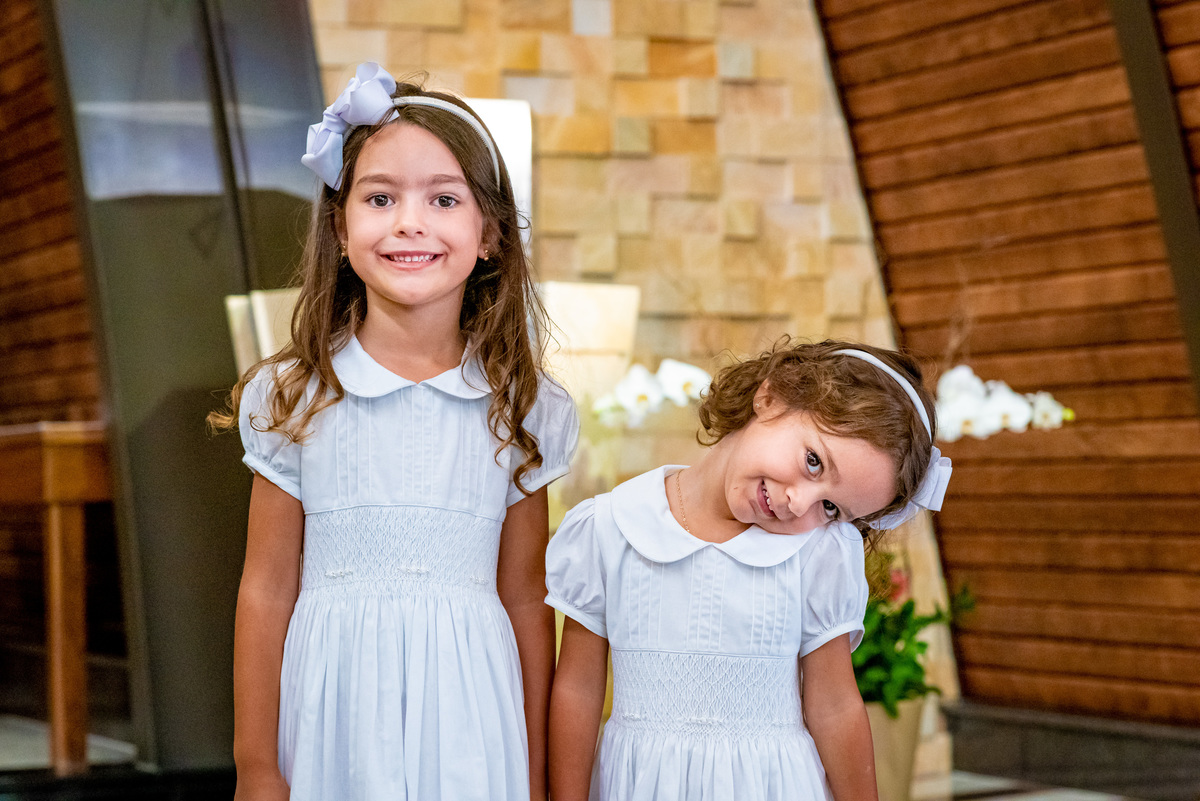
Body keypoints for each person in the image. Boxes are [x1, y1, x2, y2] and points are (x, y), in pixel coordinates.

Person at [210, 63, 578, 801]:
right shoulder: (293, 396)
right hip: (332, 715)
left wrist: (536, 775)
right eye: (381, 198)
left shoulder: (523, 406)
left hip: (474, 717)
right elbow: (266, 590)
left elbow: (525, 598)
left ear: (490, 234)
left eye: (443, 198)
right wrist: (256, 767)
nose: (410, 222)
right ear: (340, 228)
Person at [546, 340, 952, 801]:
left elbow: (835, 706)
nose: (799, 502)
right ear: (771, 397)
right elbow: (577, 689)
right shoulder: (611, 526)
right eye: (813, 462)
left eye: (831, 508)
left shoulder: (817, 552)